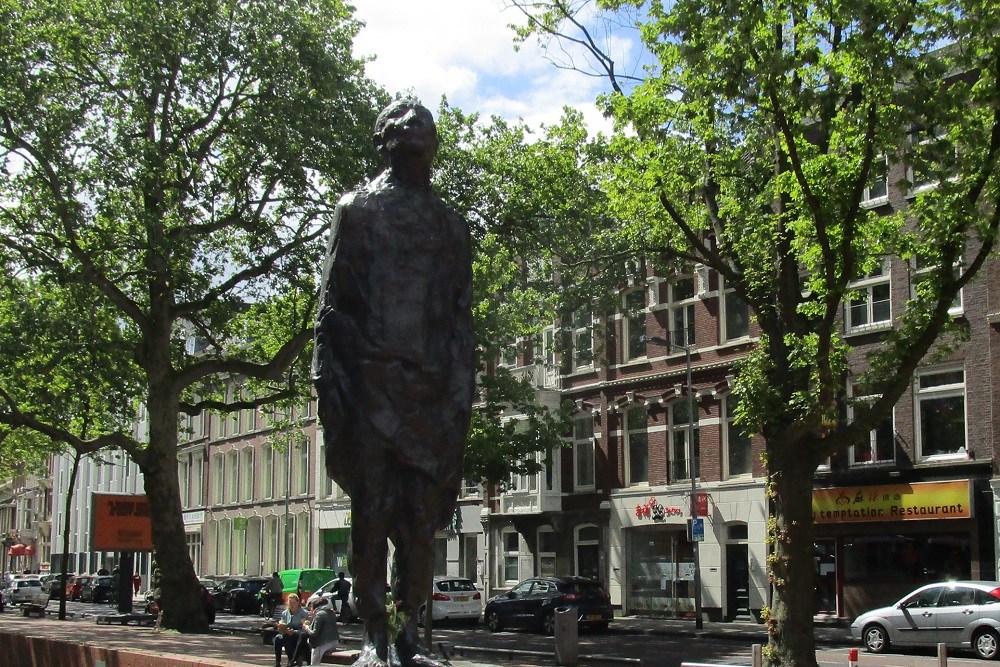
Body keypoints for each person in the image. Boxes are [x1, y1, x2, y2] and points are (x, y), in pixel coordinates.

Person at [314, 99, 474, 666]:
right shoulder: (355, 212)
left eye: (425, 146)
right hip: (371, 386)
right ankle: (375, 636)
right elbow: (331, 313)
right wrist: (330, 394)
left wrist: (461, 395)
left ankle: (408, 635)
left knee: (419, 525)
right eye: (408, 145)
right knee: (373, 513)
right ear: (386, 146)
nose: (418, 154)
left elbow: (461, 321)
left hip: (429, 398)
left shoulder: (452, 228)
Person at [273, 593, 308, 667]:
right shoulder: (285, 613)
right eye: (290, 603)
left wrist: (294, 631)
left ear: (298, 603)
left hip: (298, 636)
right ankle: (278, 662)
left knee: (286, 637)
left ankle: (291, 660)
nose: (292, 605)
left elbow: (305, 629)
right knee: (278, 638)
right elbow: (282, 625)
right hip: (286, 633)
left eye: (293, 602)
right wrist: (281, 627)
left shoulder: (303, 613)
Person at [302, 597, 339, 665]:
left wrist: (306, 627)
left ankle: (294, 661)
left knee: (303, 640)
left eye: (311, 608)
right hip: (333, 643)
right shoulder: (331, 613)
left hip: (323, 645)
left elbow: (314, 633)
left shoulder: (319, 615)